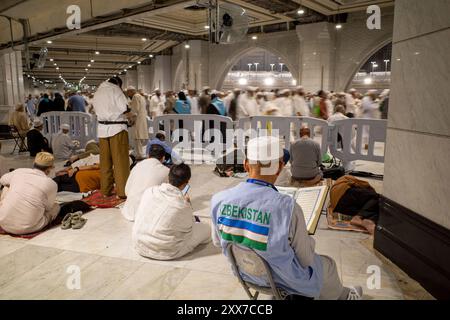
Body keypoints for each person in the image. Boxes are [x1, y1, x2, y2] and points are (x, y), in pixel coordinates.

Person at [210, 136, 362, 299]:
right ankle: (346, 296)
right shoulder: (288, 207)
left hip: (245, 274)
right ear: (280, 167)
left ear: (246, 165)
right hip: (283, 281)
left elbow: (218, 242)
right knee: (327, 265)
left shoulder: (219, 199)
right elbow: (305, 259)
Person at [133, 163, 211, 260]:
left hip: (140, 245)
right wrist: (188, 205)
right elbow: (190, 226)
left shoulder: (150, 191)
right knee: (207, 228)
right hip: (167, 251)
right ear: (186, 184)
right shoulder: (182, 205)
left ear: (169, 178)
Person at [0, 152, 60, 235]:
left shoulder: (19, 171)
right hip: (28, 227)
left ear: (33, 163)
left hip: (3, 223)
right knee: (56, 206)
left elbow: (2, 180)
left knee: (7, 187)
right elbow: (48, 208)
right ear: (50, 168)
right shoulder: (51, 184)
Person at [92, 76, 132, 199]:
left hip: (102, 130)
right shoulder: (115, 90)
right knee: (120, 162)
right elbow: (125, 109)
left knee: (105, 162)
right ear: (118, 84)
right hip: (117, 129)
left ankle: (105, 190)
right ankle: (122, 191)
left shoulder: (98, 92)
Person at [121, 144, 169, 222]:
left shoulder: (137, 166)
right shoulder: (166, 171)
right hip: (147, 215)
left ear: (148, 155)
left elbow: (126, 191)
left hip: (129, 211)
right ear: (163, 158)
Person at [127, 86, 149, 160]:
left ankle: (139, 155)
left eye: (128, 92)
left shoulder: (135, 97)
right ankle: (140, 153)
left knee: (137, 137)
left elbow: (135, 110)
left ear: (131, 91)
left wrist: (131, 120)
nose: (128, 94)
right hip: (142, 119)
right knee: (140, 137)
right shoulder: (141, 97)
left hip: (138, 120)